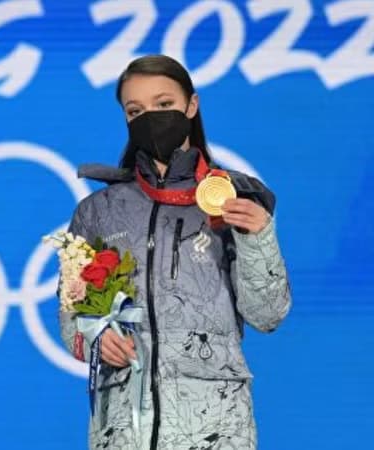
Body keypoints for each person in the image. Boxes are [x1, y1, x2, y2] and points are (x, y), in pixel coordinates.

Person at [58, 55, 291, 449]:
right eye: (136, 110)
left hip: (214, 429)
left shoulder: (234, 199)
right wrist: (97, 338)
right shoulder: (96, 212)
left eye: (164, 104)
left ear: (191, 106)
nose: (151, 117)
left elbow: (268, 316)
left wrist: (258, 239)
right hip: (122, 427)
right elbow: (71, 317)